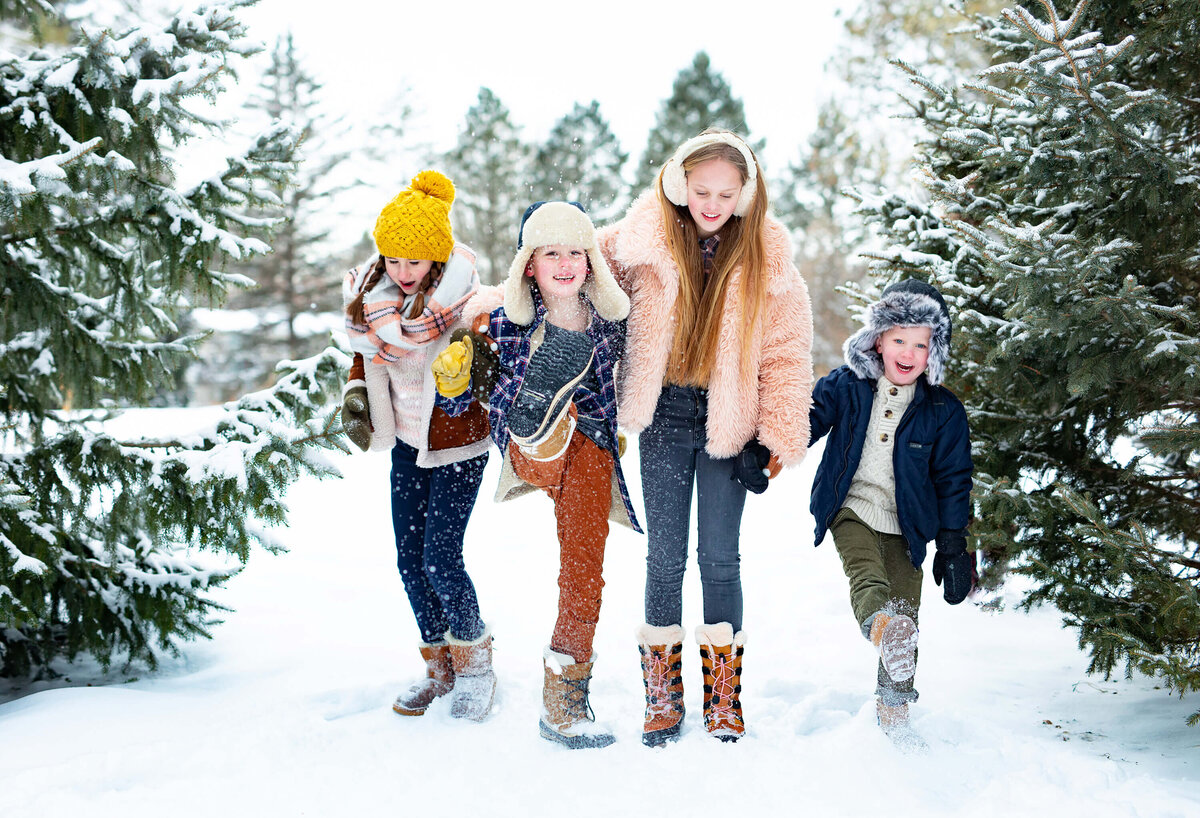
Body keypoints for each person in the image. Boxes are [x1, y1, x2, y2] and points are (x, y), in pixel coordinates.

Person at [598, 130, 814, 744]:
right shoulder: (642, 240)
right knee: (664, 559)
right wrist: (488, 297)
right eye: (700, 191)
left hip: (729, 421)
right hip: (664, 415)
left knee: (720, 559)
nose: (712, 203)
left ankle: (723, 698)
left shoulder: (768, 261)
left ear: (746, 193)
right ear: (677, 185)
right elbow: (572, 262)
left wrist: (772, 438)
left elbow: (786, 355)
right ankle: (662, 697)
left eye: (725, 192)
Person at [433, 201, 639, 749]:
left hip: (591, 446)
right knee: (538, 434)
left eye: (576, 251)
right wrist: (454, 384)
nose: (566, 263)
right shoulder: (500, 322)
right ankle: (539, 413)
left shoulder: (609, 323)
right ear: (530, 264)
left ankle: (564, 701)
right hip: (529, 451)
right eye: (552, 253)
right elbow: (464, 406)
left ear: (591, 262)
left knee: (584, 568)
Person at [340, 170, 497, 722]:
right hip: (407, 446)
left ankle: (477, 665)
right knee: (410, 560)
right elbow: (365, 356)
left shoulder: (469, 306)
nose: (404, 272)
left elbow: (486, 370)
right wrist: (357, 390)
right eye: (394, 260)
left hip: (458, 450)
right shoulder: (372, 304)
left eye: (416, 260)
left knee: (440, 557)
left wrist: (472, 362)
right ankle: (440, 666)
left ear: (437, 258)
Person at [807, 278, 975, 749]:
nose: (907, 352)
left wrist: (953, 545)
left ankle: (894, 707)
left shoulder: (943, 412)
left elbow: (953, 480)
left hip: (908, 527)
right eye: (898, 339)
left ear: (933, 352)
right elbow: (809, 417)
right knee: (868, 579)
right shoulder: (849, 386)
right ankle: (881, 626)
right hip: (851, 508)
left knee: (909, 612)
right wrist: (765, 452)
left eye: (920, 344)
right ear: (878, 340)